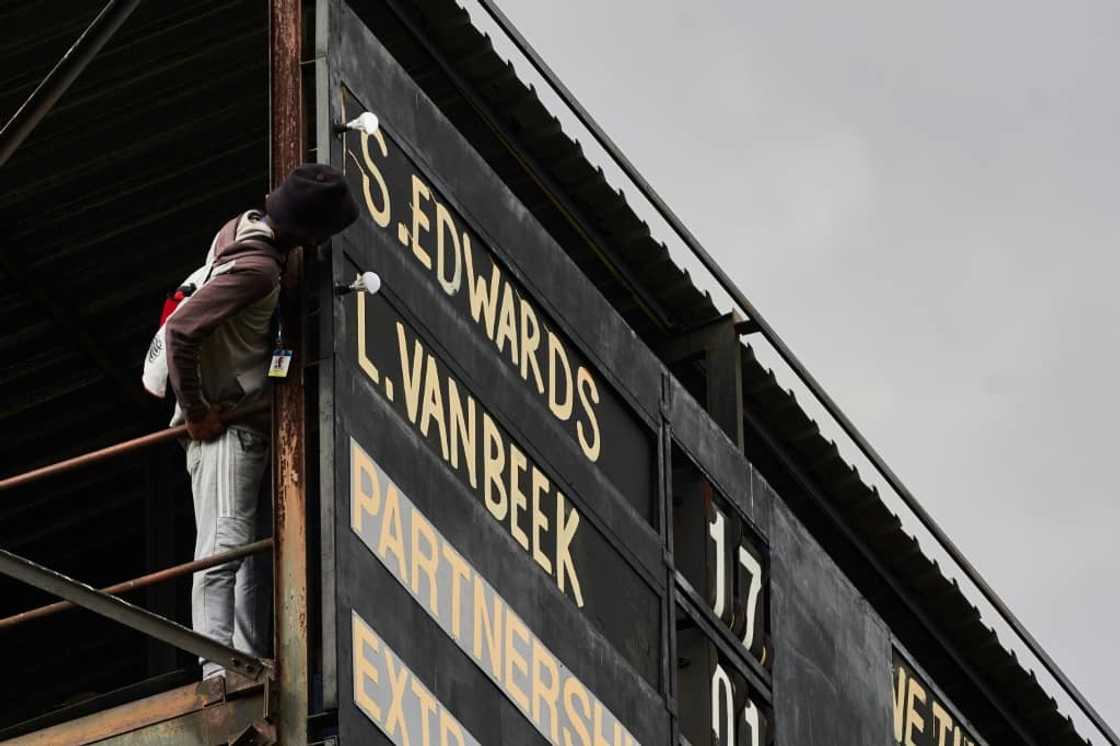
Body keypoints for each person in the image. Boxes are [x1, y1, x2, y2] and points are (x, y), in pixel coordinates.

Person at [165, 164, 358, 679]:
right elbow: (182, 331)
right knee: (224, 548)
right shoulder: (259, 270)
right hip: (226, 430)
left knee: (249, 552)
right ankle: (216, 671)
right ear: (310, 233)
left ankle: (244, 663)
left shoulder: (242, 226)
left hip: (241, 428)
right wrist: (200, 412)